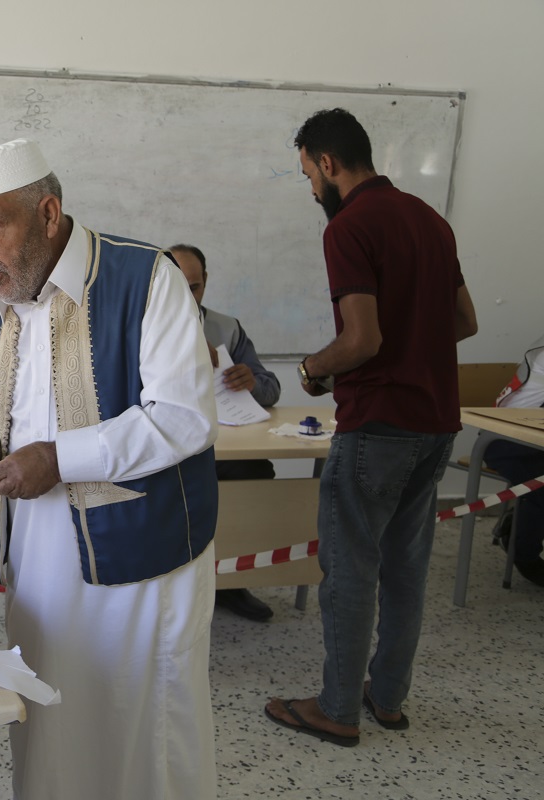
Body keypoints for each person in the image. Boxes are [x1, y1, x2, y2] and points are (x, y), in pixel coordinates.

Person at [0, 139, 219, 800]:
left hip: (140, 564)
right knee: (49, 729)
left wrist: (59, 459)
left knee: (140, 727)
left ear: (47, 211)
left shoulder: (143, 277)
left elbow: (183, 416)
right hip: (35, 560)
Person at [265, 109, 477, 746]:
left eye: (308, 175)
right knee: (406, 569)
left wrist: (312, 368)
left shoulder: (350, 227)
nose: (310, 190)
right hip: (437, 423)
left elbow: (361, 339)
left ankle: (336, 708)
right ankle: (387, 698)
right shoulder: (430, 221)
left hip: (378, 427)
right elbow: (463, 320)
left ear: (328, 164)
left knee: (350, 569)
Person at [171, 242, 281, 622]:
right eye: (178, 285)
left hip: (225, 446)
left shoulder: (226, 327)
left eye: (195, 286)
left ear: (205, 284)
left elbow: (271, 388)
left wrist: (251, 382)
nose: (188, 295)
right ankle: (175, 586)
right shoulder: (137, 325)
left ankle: (233, 581)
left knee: (257, 473)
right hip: (170, 450)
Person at [485, 333, 544, 585]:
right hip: (507, 439)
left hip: (535, 439)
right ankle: (524, 551)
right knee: (541, 490)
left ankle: (518, 526)